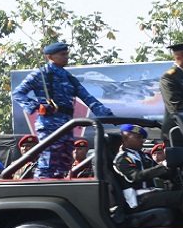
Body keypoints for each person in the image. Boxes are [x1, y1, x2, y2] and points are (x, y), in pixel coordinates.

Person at [12, 42, 113, 178]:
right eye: (62, 54)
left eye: (67, 54)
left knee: (64, 163)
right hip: (48, 123)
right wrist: (36, 106)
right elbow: (18, 93)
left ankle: (59, 186)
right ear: (49, 56)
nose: (66, 57)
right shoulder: (41, 74)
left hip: (66, 124)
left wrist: (106, 114)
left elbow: (87, 97)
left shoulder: (69, 77)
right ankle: (43, 188)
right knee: (49, 161)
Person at [112, 124, 183, 228]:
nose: (142, 140)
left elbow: (163, 173)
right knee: (181, 197)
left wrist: (176, 167)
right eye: (138, 137)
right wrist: (163, 165)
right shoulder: (122, 159)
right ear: (125, 138)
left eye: (142, 137)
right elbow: (136, 176)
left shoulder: (144, 157)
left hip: (150, 194)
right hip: (137, 199)